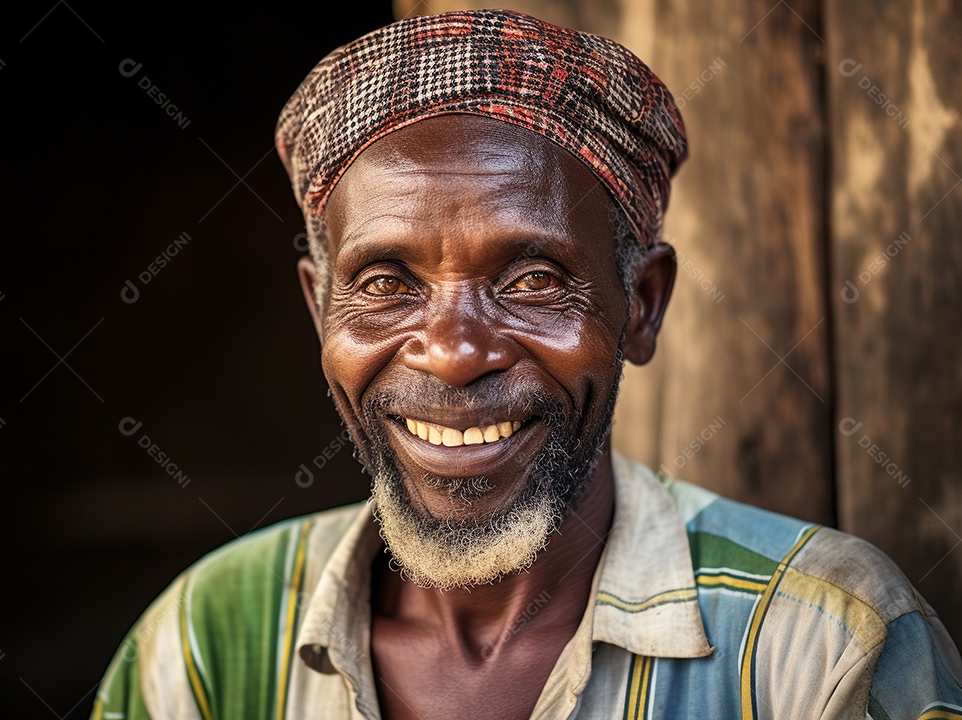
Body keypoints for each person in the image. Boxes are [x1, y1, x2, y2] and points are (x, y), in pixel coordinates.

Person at [90, 9, 961, 719]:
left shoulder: (820, 650)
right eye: (386, 283)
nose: (456, 353)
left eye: (534, 279)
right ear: (320, 308)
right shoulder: (201, 650)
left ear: (642, 307)